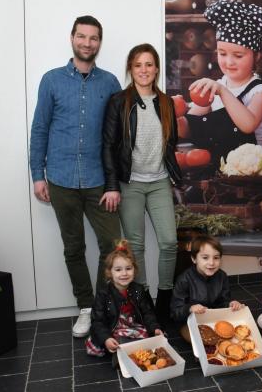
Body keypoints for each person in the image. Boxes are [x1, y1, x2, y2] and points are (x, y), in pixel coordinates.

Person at [29, 15, 122, 338]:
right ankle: (86, 306)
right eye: (81, 36)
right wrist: (37, 175)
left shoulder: (110, 83)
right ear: (72, 38)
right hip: (60, 178)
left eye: (93, 38)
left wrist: (114, 182)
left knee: (112, 244)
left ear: (100, 42)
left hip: (99, 181)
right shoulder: (51, 80)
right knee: (73, 247)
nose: (87, 43)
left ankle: (102, 306)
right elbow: (40, 128)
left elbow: (116, 137)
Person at [102, 43, 182, 319]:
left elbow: (171, 143)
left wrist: (174, 175)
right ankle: (143, 297)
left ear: (157, 68)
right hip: (130, 183)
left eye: (149, 64)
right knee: (135, 246)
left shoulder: (166, 102)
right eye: (138, 65)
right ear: (130, 69)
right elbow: (109, 146)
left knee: (169, 242)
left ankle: (165, 297)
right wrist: (113, 185)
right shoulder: (118, 102)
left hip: (159, 182)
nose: (144, 70)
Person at [184, 0, 262, 166]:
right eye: (222, 53)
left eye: (238, 55)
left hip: (251, 172)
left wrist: (222, 91)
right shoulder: (218, 85)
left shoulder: (261, 92)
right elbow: (192, 123)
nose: (229, 62)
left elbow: (248, 125)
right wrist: (175, 110)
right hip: (219, 166)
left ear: (257, 56)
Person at [86, 240, 163, 362]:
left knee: (149, 336)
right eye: (118, 270)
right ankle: (122, 352)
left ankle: (126, 352)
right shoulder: (103, 293)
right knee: (100, 342)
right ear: (109, 272)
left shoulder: (138, 289)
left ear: (135, 270)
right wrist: (106, 338)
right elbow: (97, 321)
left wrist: (155, 328)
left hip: (133, 325)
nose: (124, 273)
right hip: (113, 326)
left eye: (128, 268)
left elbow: (148, 313)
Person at [171, 235, 244, 342]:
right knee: (201, 340)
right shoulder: (184, 280)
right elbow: (175, 313)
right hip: (190, 321)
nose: (211, 263)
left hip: (213, 319)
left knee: (235, 333)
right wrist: (190, 308)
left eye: (216, 257)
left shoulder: (222, 276)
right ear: (194, 259)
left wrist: (231, 304)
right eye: (205, 257)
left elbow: (224, 301)